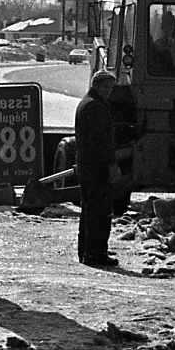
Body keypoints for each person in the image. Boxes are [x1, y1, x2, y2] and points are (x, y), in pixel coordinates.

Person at [74, 70, 121, 268]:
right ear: (97, 86)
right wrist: (112, 165)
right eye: (107, 87)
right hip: (97, 168)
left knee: (89, 210)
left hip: (87, 166)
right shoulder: (96, 107)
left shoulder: (87, 103)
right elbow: (101, 141)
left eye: (111, 88)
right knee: (99, 212)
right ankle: (95, 254)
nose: (109, 91)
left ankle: (86, 251)